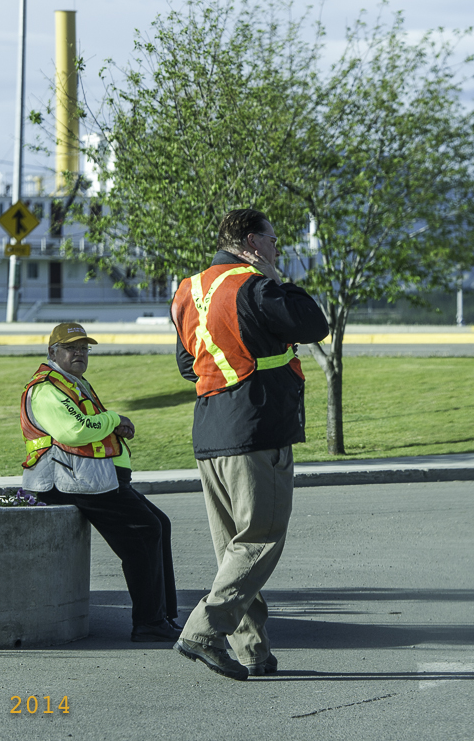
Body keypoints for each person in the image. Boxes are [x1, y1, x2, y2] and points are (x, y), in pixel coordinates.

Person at [169, 208, 329, 681]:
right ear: (252, 242)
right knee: (260, 539)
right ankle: (203, 632)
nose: (278, 248)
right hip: (257, 429)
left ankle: (252, 650)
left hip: (210, 433)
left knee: (234, 551)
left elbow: (188, 365)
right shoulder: (255, 286)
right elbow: (314, 324)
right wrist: (278, 280)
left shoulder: (189, 290)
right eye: (273, 240)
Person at [20, 322, 180, 643]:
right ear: (52, 352)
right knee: (145, 530)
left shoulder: (73, 383)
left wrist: (110, 426)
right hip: (68, 479)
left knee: (159, 523)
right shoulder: (47, 388)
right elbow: (75, 430)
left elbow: (87, 427)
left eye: (84, 348)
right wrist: (115, 419)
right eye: (71, 348)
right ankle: (149, 623)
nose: (79, 353)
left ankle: (162, 616)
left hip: (88, 477)